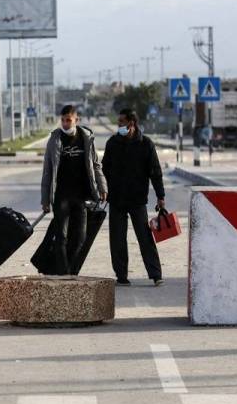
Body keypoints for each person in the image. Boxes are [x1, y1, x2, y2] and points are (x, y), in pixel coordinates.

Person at [41, 105, 107, 275]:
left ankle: (69, 269)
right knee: (61, 237)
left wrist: (102, 186)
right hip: (61, 196)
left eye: (68, 120)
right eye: (62, 120)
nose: (65, 124)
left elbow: (95, 165)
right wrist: (45, 199)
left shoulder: (86, 139)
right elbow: (48, 171)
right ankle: (64, 273)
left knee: (80, 237)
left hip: (81, 196)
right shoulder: (55, 140)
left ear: (76, 120)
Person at [102, 108, 165, 287]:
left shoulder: (146, 144)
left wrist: (160, 196)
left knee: (145, 238)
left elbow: (155, 172)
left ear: (132, 123)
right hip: (116, 199)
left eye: (121, 122)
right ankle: (121, 275)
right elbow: (104, 170)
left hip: (137, 200)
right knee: (117, 239)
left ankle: (155, 274)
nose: (119, 125)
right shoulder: (112, 143)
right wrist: (102, 190)